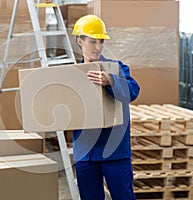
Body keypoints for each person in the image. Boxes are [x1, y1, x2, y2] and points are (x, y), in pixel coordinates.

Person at [71, 15, 140, 200]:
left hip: (115, 151)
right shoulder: (70, 75)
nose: (98, 47)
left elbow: (133, 91)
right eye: (93, 42)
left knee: (123, 197)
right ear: (80, 41)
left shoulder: (116, 68)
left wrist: (111, 81)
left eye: (101, 42)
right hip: (86, 153)